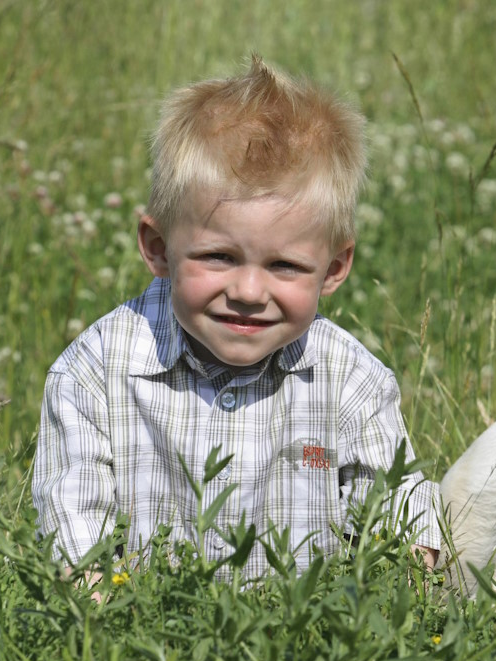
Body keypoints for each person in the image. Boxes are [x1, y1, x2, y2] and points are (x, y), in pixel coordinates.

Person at [33, 56, 440, 581]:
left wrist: (407, 578)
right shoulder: (94, 373)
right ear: (158, 248)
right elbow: (73, 538)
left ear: (334, 268)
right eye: (219, 257)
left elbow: (400, 516)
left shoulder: (350, 382)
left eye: (285, 266)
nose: (248, 292)